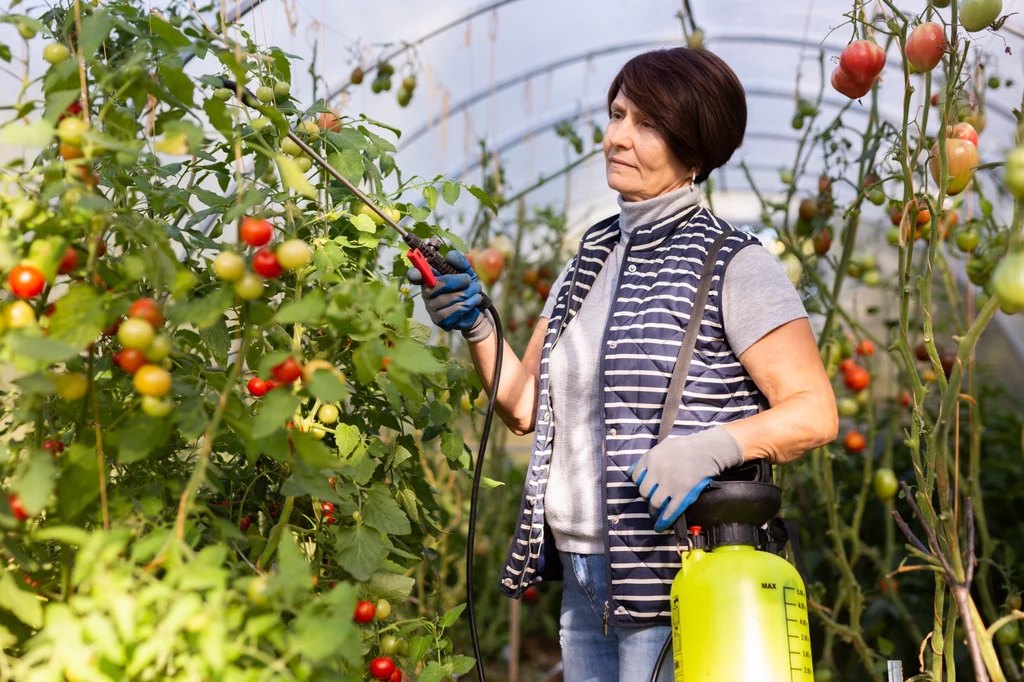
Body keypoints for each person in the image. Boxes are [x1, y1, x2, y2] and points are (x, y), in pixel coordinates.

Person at [407, 47, 838, 682]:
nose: (616, 138)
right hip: (586, 573)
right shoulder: (590, 257)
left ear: (694, 147)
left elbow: (815, 413)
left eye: (646, 123)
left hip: (682, 570)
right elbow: (524, 406)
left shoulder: (732, 262)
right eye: (616, 115)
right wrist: (477, 325)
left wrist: (711, 447)